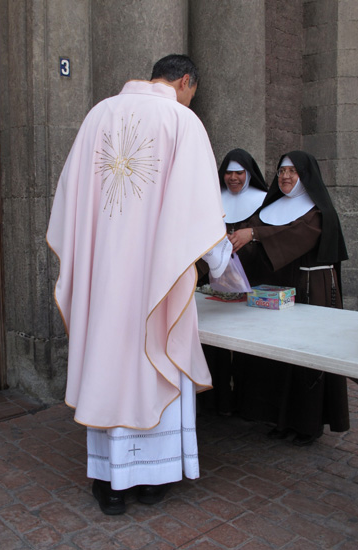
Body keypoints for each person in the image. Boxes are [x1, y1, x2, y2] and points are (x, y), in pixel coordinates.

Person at [47, 54, 231, 515]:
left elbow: (69, 198)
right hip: (156, 283)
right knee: (154, 361)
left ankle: (110, 484)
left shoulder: (98, 115)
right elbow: (200, 212)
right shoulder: (182, 122)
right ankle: (153, 480)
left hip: (104, 280)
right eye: (193, 93)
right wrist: (222, 261)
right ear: (185, 81)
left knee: (108, 362)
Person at [229, 150, 350, 445]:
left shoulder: (318, 212)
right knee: (279, 357)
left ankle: (307, 425)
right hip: (279, 291)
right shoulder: (270, 209)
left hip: (310, 291)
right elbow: (253, 243)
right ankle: (280, 418)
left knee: (304, 357)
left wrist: (253, 234)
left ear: (305, 176)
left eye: (292, 171)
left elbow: (294, 236)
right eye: (282, 171)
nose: (285, 176)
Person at [197, 149, 267, 415]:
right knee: (213, 342)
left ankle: (249, 404)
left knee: (251, 346)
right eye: (228, 173)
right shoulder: (214, 201)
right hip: (216, 284)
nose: (233, 178)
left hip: (253, 281)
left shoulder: (264, 202)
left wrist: (252, 235)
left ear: (249, 174)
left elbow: (270, 234)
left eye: (239, 173)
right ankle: (216, 401)